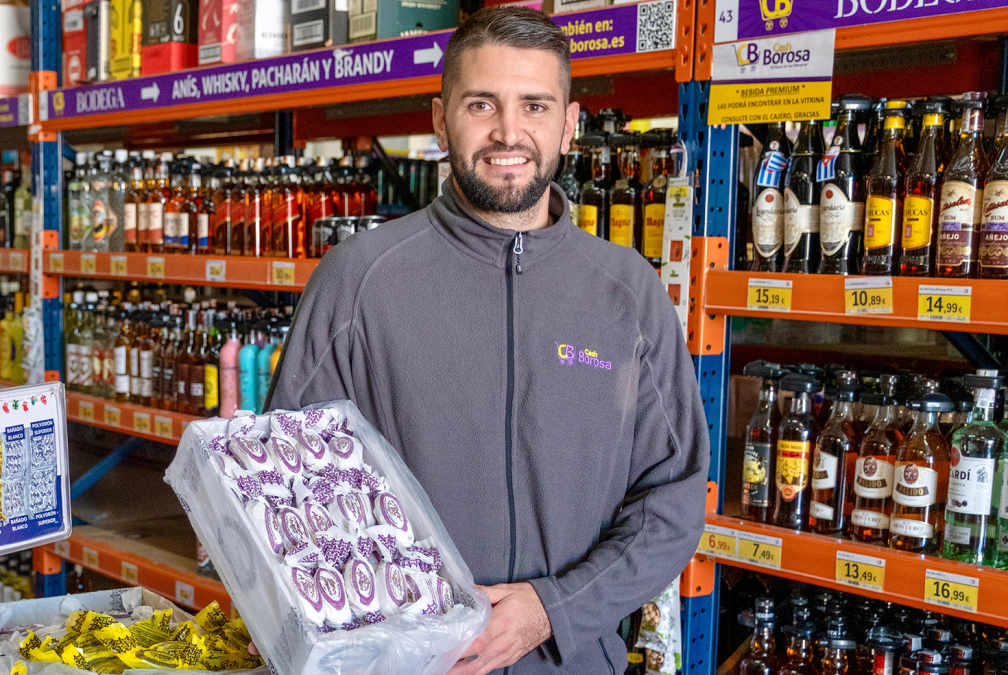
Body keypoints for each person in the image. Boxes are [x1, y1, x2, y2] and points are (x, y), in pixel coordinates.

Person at [267, 7, 709, 674]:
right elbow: (285, 496)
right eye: (481, 103)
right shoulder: (360, 281)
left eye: (535, 105)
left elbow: (672, 500)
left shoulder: (628, 293)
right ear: (441, 119)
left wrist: (553, 609)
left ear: (568, 124)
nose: (509, 132)